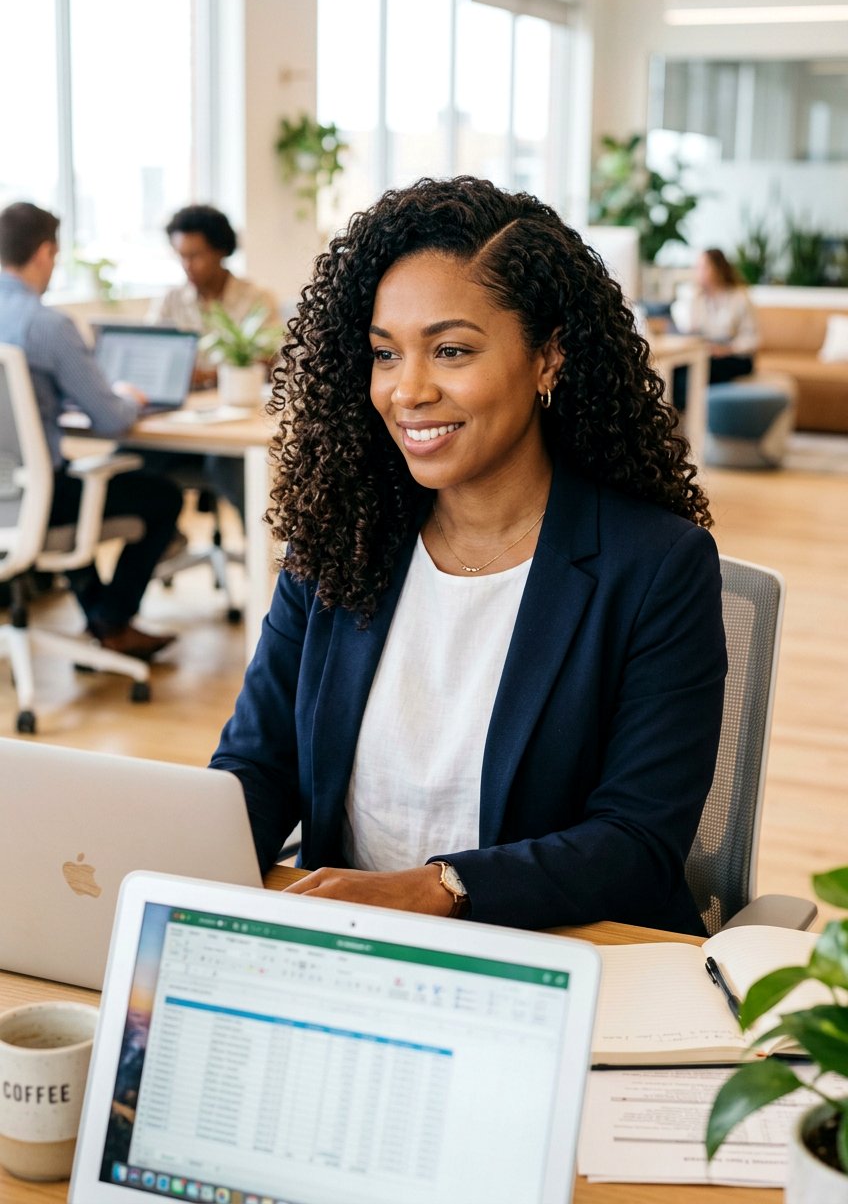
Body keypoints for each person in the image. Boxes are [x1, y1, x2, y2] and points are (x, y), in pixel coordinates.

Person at [211, 177, 728, 935]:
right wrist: (189, 867)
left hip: (559, 953)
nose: (408, 390)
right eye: (385, 354)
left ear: (548, 359)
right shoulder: (340, 539)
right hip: (345, 947)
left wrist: (437, 889)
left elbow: (636, 842)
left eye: (451, 350)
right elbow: (258, 767)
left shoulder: (656, 566)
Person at [0, 202, 181, 659]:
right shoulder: (47, 325)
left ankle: (103, 619)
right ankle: (112, 621)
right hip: (37, 503)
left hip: (9, 498)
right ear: (45, 253)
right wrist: (127, 396)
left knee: (71, 485)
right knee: (162, 497)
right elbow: (113, 419)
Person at [147, 204, 282, 518]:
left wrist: (202, 375)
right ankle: (164, 536)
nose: (187, 266)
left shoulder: (256, 297)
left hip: (235, 425)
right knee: (133, 459)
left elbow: (267, 361)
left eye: (195, 255)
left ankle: (263, 543)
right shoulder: (170, 301)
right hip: (180, 426)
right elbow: (155, 359)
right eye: (181, 256)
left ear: (220, 250)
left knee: (228, 465)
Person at [670, 248, 760, 409]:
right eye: (697, 267)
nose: (698, 272)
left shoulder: (739, 297)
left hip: (735, 356)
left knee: (696, 372)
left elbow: (753, 339)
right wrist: (692, 299)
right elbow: (690, 329)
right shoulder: (698, 298)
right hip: (709, 352)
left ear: (718, 269)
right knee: (677, 369)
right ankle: (679, 415)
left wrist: (728, 349)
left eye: (703, 267)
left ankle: (692, 414)